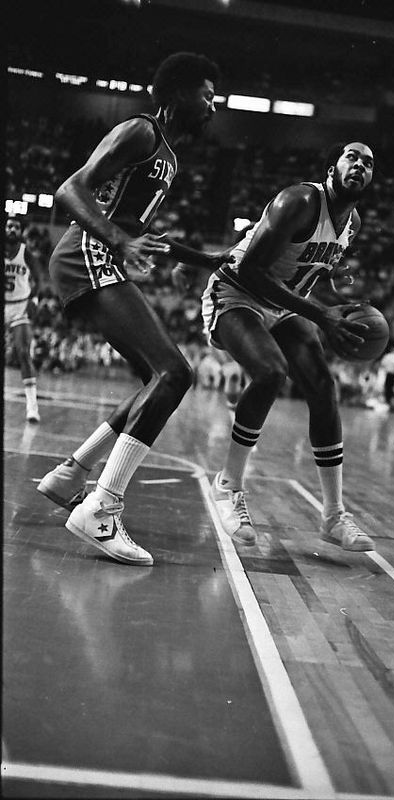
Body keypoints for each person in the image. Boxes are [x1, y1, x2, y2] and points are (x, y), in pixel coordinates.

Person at [37, 52, 231, 566]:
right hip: (86, 251)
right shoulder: (140, 132)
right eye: (207, 94)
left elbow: (141, 232)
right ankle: (100, 507)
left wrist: (203, 258)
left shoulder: (168, 153)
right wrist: (118, 242)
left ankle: (71, 473)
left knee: (157, 379)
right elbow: (69, 190)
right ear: (178, 93)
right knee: (175, 373)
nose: (213, 103)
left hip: (102, 252)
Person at [201, 140, 375, 551]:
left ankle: (333, 515)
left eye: (368, 163)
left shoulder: (353, 225)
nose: (360, 166)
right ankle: (228, 486)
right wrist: (321, 316)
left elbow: (310, 277)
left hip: (282, 305)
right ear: (331, 167)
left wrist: (339, 307)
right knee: (270, 373)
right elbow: (251, 270)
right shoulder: (298, 201)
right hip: (237, 292)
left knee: (322, 387)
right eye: (352, 157)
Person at [4, 215, 42, 423]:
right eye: (9, 226)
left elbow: (39, 277)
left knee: (22, 352)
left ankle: (32, 407)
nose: (12, 229)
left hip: (20, 306)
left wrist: (34, 298)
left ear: (21, 231)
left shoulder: (25, 252)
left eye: (16, 227)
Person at [379, 344, 394, 411]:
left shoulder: (387, 356)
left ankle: (388, 401)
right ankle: (389, 401)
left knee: (388, 388)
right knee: (390, 388)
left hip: (388, 374)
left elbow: (383, 364)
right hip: (392, 374)